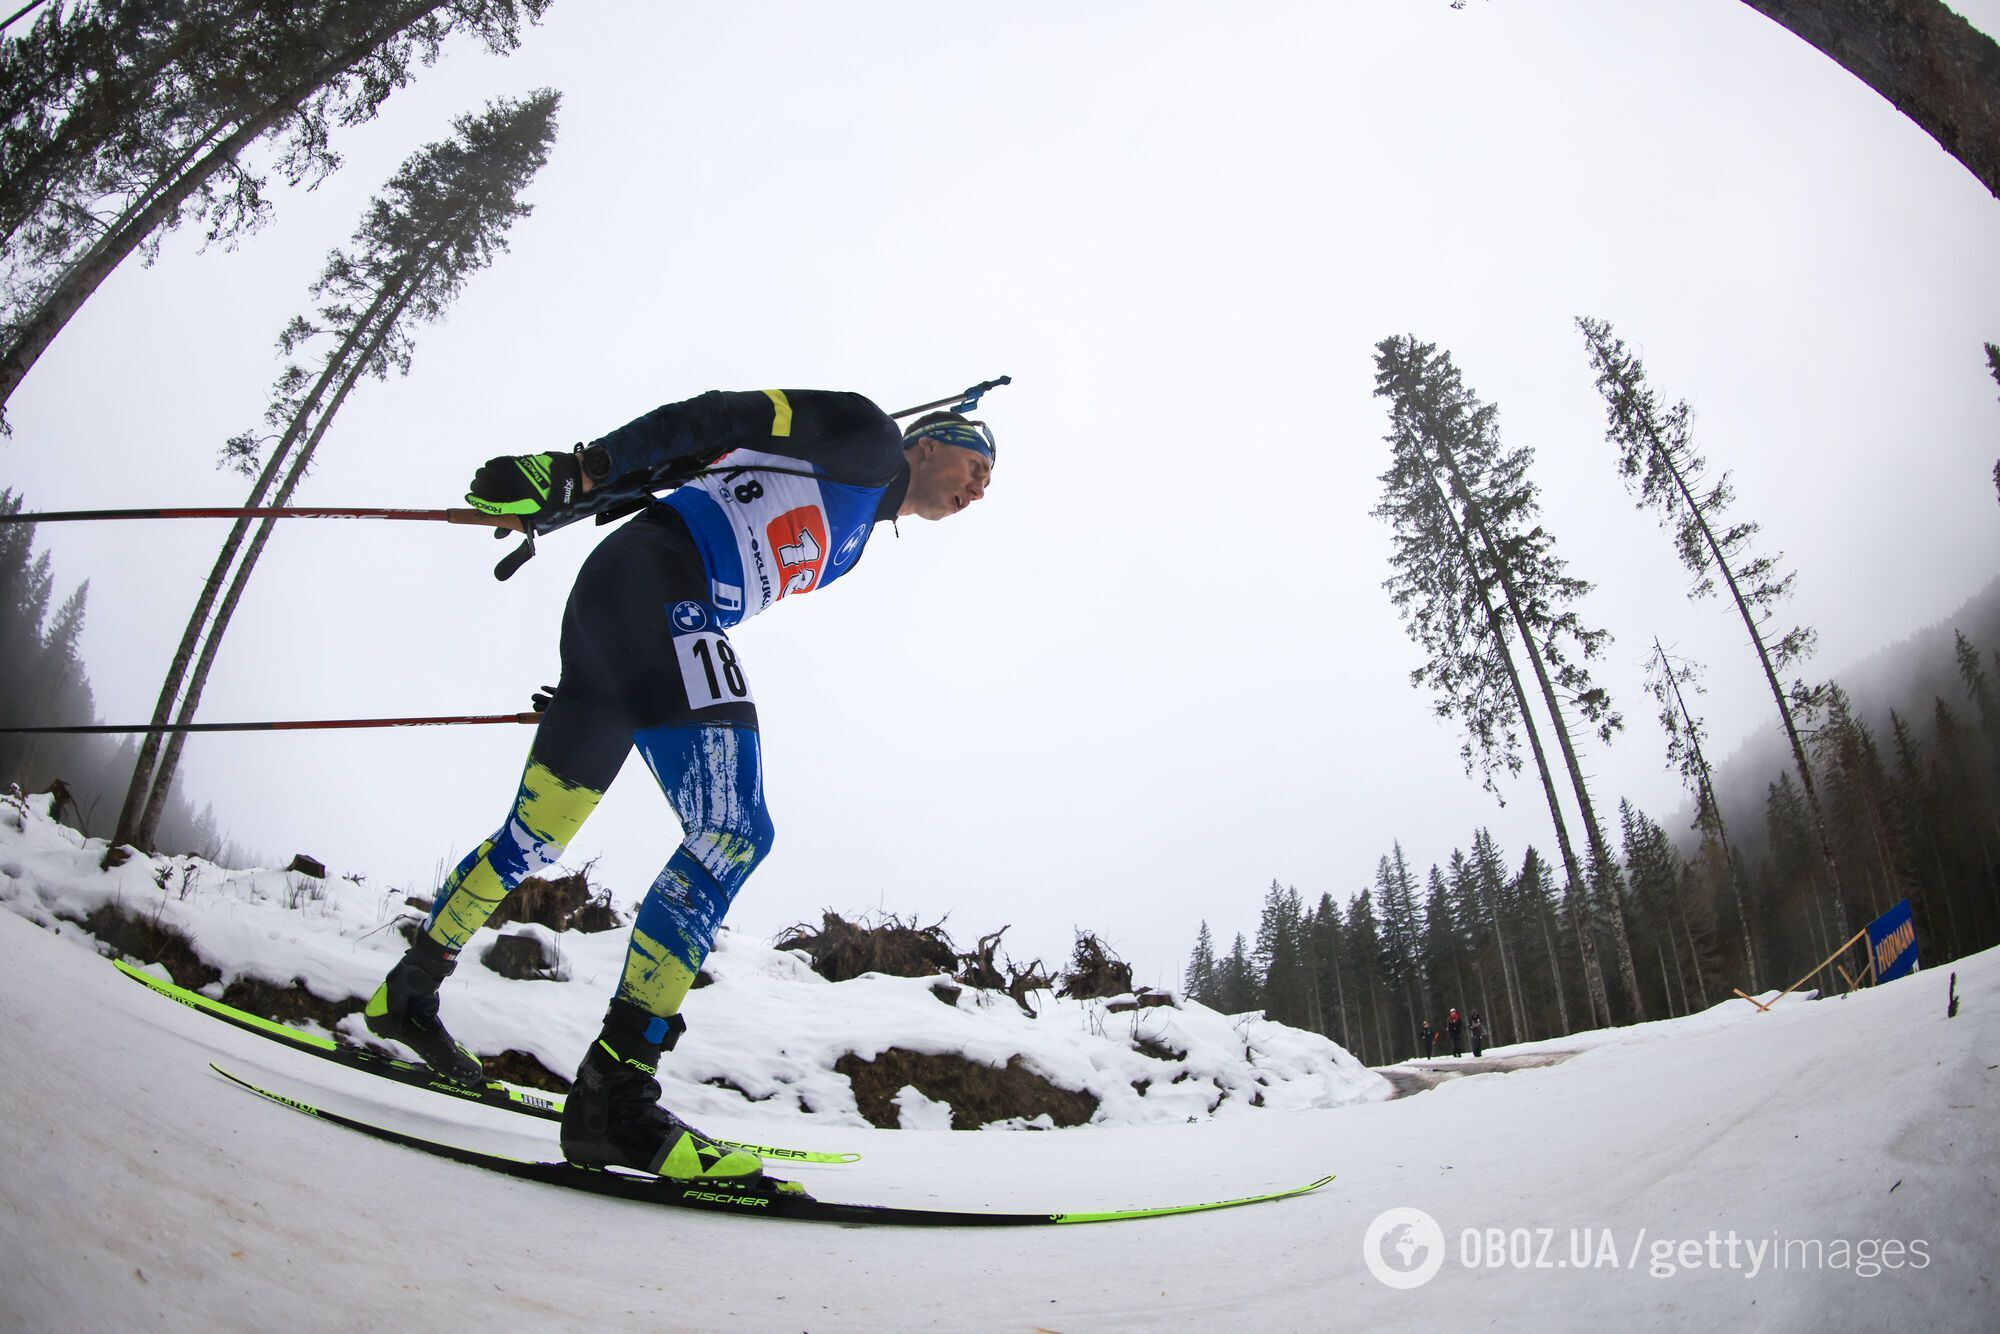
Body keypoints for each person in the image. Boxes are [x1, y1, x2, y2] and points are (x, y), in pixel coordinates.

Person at [359, 388, 996, 1182]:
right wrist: (585, 469)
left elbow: (711, 479)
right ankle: (613, 1101)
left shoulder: (859, 536)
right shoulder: (865, 438)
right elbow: (723, 414)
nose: (979, 490)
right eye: (976, 464)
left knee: (535, 836)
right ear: (927, 445)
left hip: (634, 616)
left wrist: (625, 672)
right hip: (657, 586)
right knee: (733, 830)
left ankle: (407, 994)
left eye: (990, 484)